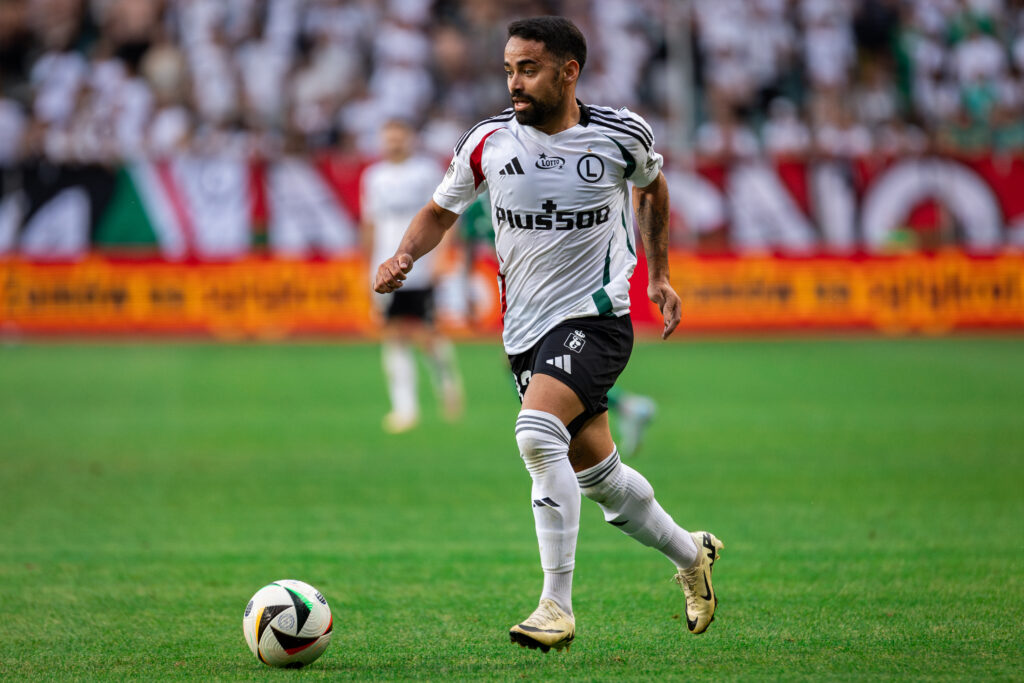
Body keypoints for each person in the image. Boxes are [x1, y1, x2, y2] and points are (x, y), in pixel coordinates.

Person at [373, 16, 723, 651]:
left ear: (569, 72)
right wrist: (403, 255)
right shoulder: (487, 143)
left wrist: (660, 275)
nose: (515, 84)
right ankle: (689, 555)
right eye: (508, 70)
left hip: (597, 318)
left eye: (528, 69)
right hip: (525, 334)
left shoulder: (619, 135)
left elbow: (653, 189)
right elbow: (438, 210)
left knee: (536, 435)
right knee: (602, 479)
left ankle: (554, 607)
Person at [362, 118, 463, 433]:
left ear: (410, 139)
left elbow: (446, 215)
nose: (393, 144)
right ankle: (404, 408)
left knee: (426, 334)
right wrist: (367, 264)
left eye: (399, 137)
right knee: (392, 333)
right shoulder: (374, 177)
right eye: (388, 138)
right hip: (384, 263)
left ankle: (448, 385)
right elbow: (369, 224)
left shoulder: (426, 171)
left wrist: (443, 257)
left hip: (420, 264)